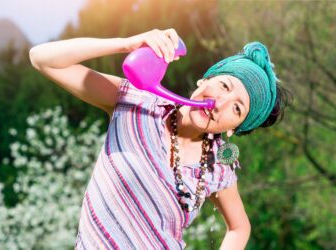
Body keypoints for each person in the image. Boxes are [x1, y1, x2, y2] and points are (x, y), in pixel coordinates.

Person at [29, 28, 289, 250]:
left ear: (234, 128)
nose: (221, 103)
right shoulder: (135, 100)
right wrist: (126, 44)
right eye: (224, 86)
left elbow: (239, 227)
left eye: (237, 109)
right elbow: (41, 59)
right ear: (204, 80)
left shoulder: (218, 169)